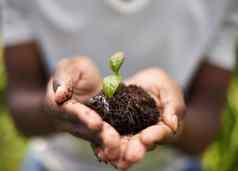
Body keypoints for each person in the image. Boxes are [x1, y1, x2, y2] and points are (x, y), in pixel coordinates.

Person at [2, 0, 237, 170]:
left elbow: (207, 116)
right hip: (53, 163)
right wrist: (54, 109)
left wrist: (175, 122)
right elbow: (22, 98)